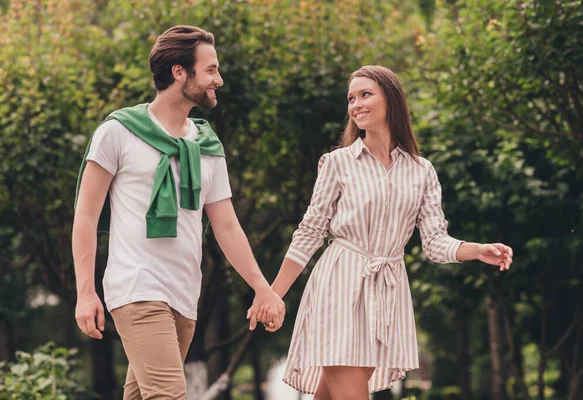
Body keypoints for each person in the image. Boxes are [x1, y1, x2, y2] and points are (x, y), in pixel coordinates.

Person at [250, 65, 513, 400]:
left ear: (391, 99)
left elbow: (434, 242)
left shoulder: (421, 171)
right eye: (351, 98)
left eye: (365, 94)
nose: (355, 104)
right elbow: (310, 233)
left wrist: (475, 249)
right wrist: (274, 294)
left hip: (386, 293)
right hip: (339, 285)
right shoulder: (337, 163)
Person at [72, 25, 283, 400]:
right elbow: (86, 215)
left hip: (185, 294)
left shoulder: (206, 143)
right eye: (211, 69)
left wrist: (262, 287)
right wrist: (86, 292)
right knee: (168, 394)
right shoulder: (119, 132)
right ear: (179, 72)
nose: (218, 79)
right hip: (136, 287)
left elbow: (227, 226)